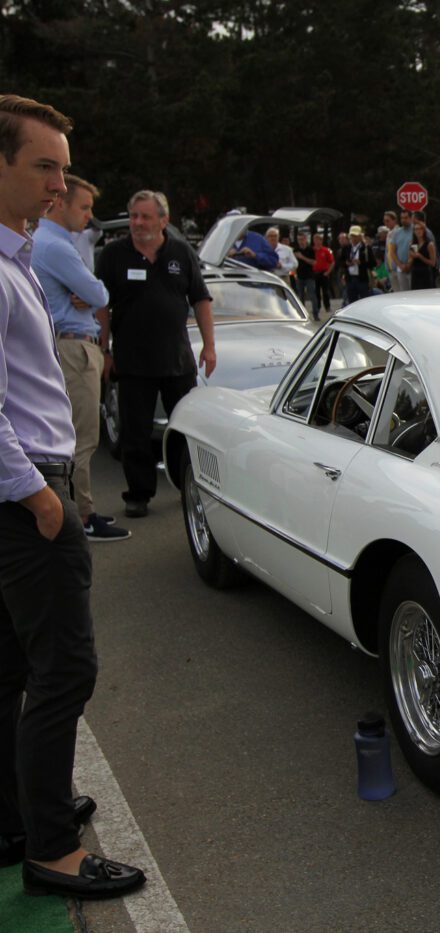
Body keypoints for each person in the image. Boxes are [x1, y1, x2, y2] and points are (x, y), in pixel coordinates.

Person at [0, 93, 146, 901]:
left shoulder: (20, 254)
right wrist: (40, 497)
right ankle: (53, 847)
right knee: (64, 669)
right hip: (26, 493)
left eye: (62, 166)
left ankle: (20, 815)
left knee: (13, 666)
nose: (59, 182)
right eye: (42, 165)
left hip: (27, 488)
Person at [95, 190, 214, 517]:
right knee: (135, 434)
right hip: (132, 362)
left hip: (177, 361)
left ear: (164, 220)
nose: (137, 223)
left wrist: (210, 346)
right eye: (134, 216)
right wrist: (103, 350)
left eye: (145, 216)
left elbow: (201, 299)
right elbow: (101, 305)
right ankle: (138, 494)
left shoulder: (181, 252)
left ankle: (189, 487)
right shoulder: (113, 255)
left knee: (187, 431)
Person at [31, 174, 128, 541]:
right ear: (60, 203)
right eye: (84, 207)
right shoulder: (56, 246)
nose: (89, 215)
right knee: (83, 439)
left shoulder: (43, 241)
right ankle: (82, 518)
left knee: (69, 436)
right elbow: (99, 293)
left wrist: (87, 290)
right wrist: (89, 289)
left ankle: (73, 513)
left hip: (65, 345)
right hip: (75, 347)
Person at [338, 224, 375, 303]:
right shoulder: (346, 248)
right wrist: (347, 263)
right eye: (352, 236)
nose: (354, 238)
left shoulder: (366, 248)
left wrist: (361, 263)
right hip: (350, 279)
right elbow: (340, 262)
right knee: (351, 301)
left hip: (362, 279)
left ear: (360, 236)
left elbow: (373, 263)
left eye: (356, 236)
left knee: (364, 301)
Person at [406, 217, 437, 290]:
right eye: (416, 229)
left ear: (424, 231)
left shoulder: (429, 244)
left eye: (420, 229)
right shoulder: (412, 244)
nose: (418, 231)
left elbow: (433, 263)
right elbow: (409, 261)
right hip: (415, 272)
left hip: (425, 273)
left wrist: (420, 256)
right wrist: (411, 257)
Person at [387, 210, 413, 294]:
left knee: (414, 293)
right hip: (400, 268)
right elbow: (392, 251)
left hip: (412, 266)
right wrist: (400, 265)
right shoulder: (397, 233)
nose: (403, 220)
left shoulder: (415, 230)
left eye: (406, 218)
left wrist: (409, 264)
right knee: (403, 294)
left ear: (411, 218)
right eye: (402, 218)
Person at [292, 229, 317, 311]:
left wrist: (302, 257)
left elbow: (313, 262)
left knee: (312, 295)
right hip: (299, 276)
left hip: (309, 276)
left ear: (306, 239)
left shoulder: (311, 250)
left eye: (302, 239)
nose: (301, 241)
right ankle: (302, 313)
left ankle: (315, 314)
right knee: (300, 296)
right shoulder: (295, 250)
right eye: (299, 240)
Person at [311, 232, 334, 319]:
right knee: (316, 292)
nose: (317, 241)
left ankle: (327, 306)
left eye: (318, 239)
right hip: (314, 273)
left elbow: (332, 262)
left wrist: (328, 272)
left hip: (324, 273)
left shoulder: (326, 250)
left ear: (321, 240)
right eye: (315, 239)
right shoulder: (312, 250)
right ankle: (318, 307)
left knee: (325, 291)